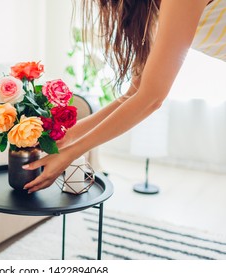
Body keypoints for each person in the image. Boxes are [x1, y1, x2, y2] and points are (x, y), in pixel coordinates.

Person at [23, 0, 225, 193]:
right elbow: (134, 93)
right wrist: (70, 136)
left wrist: (71, 153)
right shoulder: (151, 7)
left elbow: (152, 98)